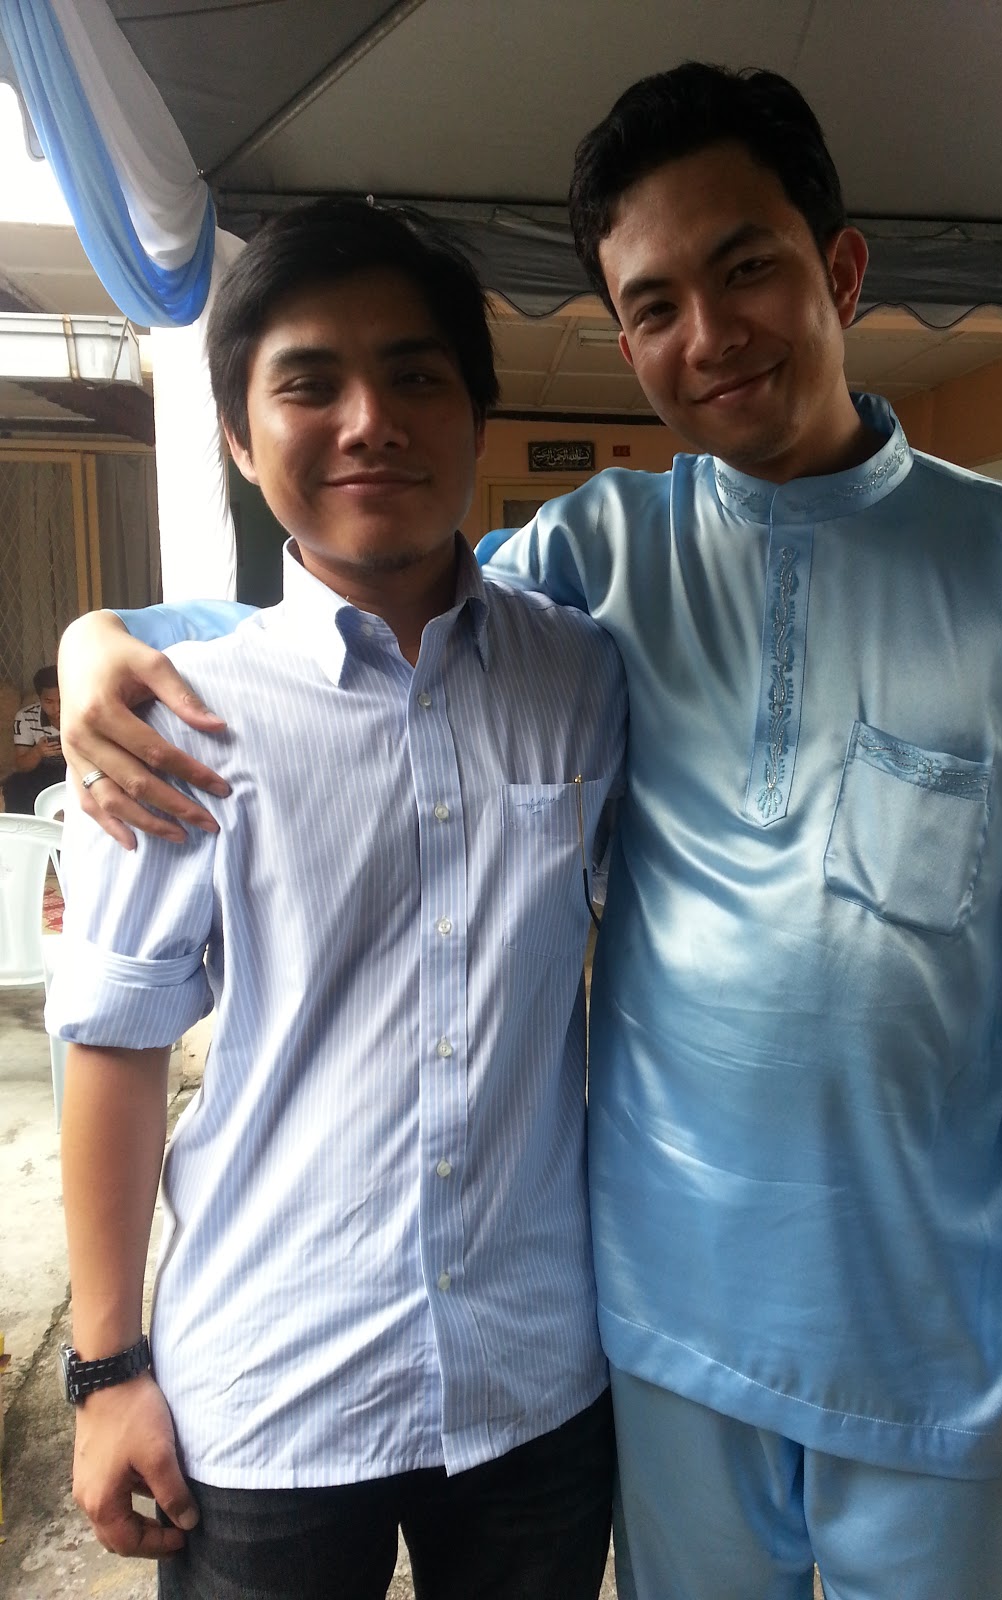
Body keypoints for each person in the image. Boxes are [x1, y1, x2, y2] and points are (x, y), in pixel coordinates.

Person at [58, 63, 1002, 1600]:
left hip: (936, 1309)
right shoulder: (606, 554)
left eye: (746, 270)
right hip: (661, 1317)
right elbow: (367, 597)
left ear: (842, 270)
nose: (707, 336)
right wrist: (100, 637)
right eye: (653, 306)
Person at [47, 199, 625, 1600]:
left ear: (476, 417)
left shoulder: (583, 679)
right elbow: (115, 1042)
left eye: (416, 374)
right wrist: (107, 1370)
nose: (371, 421)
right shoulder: (177, 717)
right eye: (309, 383)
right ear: (242, 440)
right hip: (271, 1397)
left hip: (536, 1385)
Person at [3, 663, 66, 812]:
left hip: (76, 767)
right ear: (40, 699)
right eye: (49, 702)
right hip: (44, 770)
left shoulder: (80, 712)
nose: (56, 708)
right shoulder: (26, 716)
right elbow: (20, 765)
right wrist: (38, 752)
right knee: (14, 784)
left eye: (61, 701)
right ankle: (25, 825)